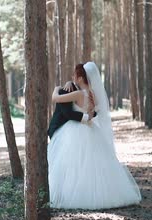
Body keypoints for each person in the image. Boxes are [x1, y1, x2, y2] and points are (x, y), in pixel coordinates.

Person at [47, 62, 141, 210]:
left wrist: (57, 88)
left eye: (74, 76)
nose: (73, 77)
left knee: (74, 164)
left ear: (79, 78)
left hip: (75, 130)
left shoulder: (78, 94)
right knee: (92, 163)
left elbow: (55, 98)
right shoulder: (92, 95)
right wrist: (88, 116)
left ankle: (74, 193)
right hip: (90, 129)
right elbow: (94, 112)